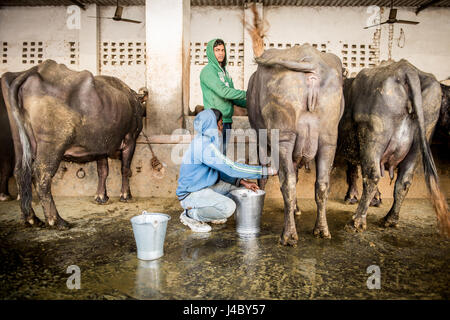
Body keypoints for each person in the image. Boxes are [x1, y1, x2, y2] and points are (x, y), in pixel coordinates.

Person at [176, 109, 277, 232]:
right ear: (213, 124)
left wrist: (243, 182)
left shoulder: (208, 140)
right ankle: (190, 214)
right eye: (221, 123)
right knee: (228, 208)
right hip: (191, 194)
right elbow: (231, 168)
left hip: (207, 187)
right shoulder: (203, 146)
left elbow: (221, 170)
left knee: (242, 192)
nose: (222, 126)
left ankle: (208, 212)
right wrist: (266, 171)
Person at [200, 38, 247, 154]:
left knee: (222, 157)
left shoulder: (225, 72)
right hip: (214, 122)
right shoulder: (208, 71)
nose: (221, 53)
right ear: (211, 52)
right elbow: (223, 92)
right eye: (217, 50)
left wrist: (252, 102)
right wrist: (248, 94)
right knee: (215, 157)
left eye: (222, 50)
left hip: (226, 121)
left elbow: (231, 96)